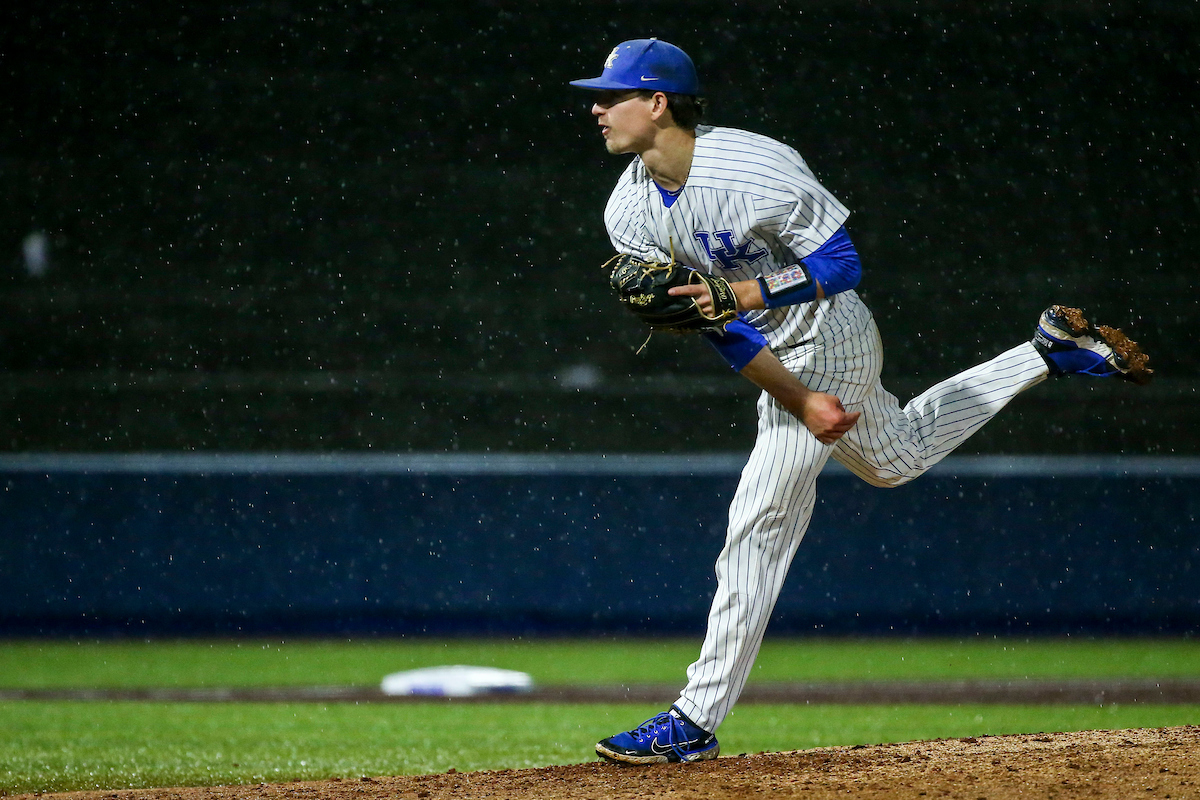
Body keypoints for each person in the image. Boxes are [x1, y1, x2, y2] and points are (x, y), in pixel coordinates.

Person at [569, 38, 1151, 765]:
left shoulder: (754, 165)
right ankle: (1044, 352)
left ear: (658, 103)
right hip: (785, 358)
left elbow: (844, 262)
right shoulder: (628, 209)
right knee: (894, 459)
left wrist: (760, 301)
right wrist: (799, 395)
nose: (595, 107)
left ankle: (694, 717)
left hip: (831, 333)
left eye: (610, 94)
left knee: (758, 519)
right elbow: (719, 328)